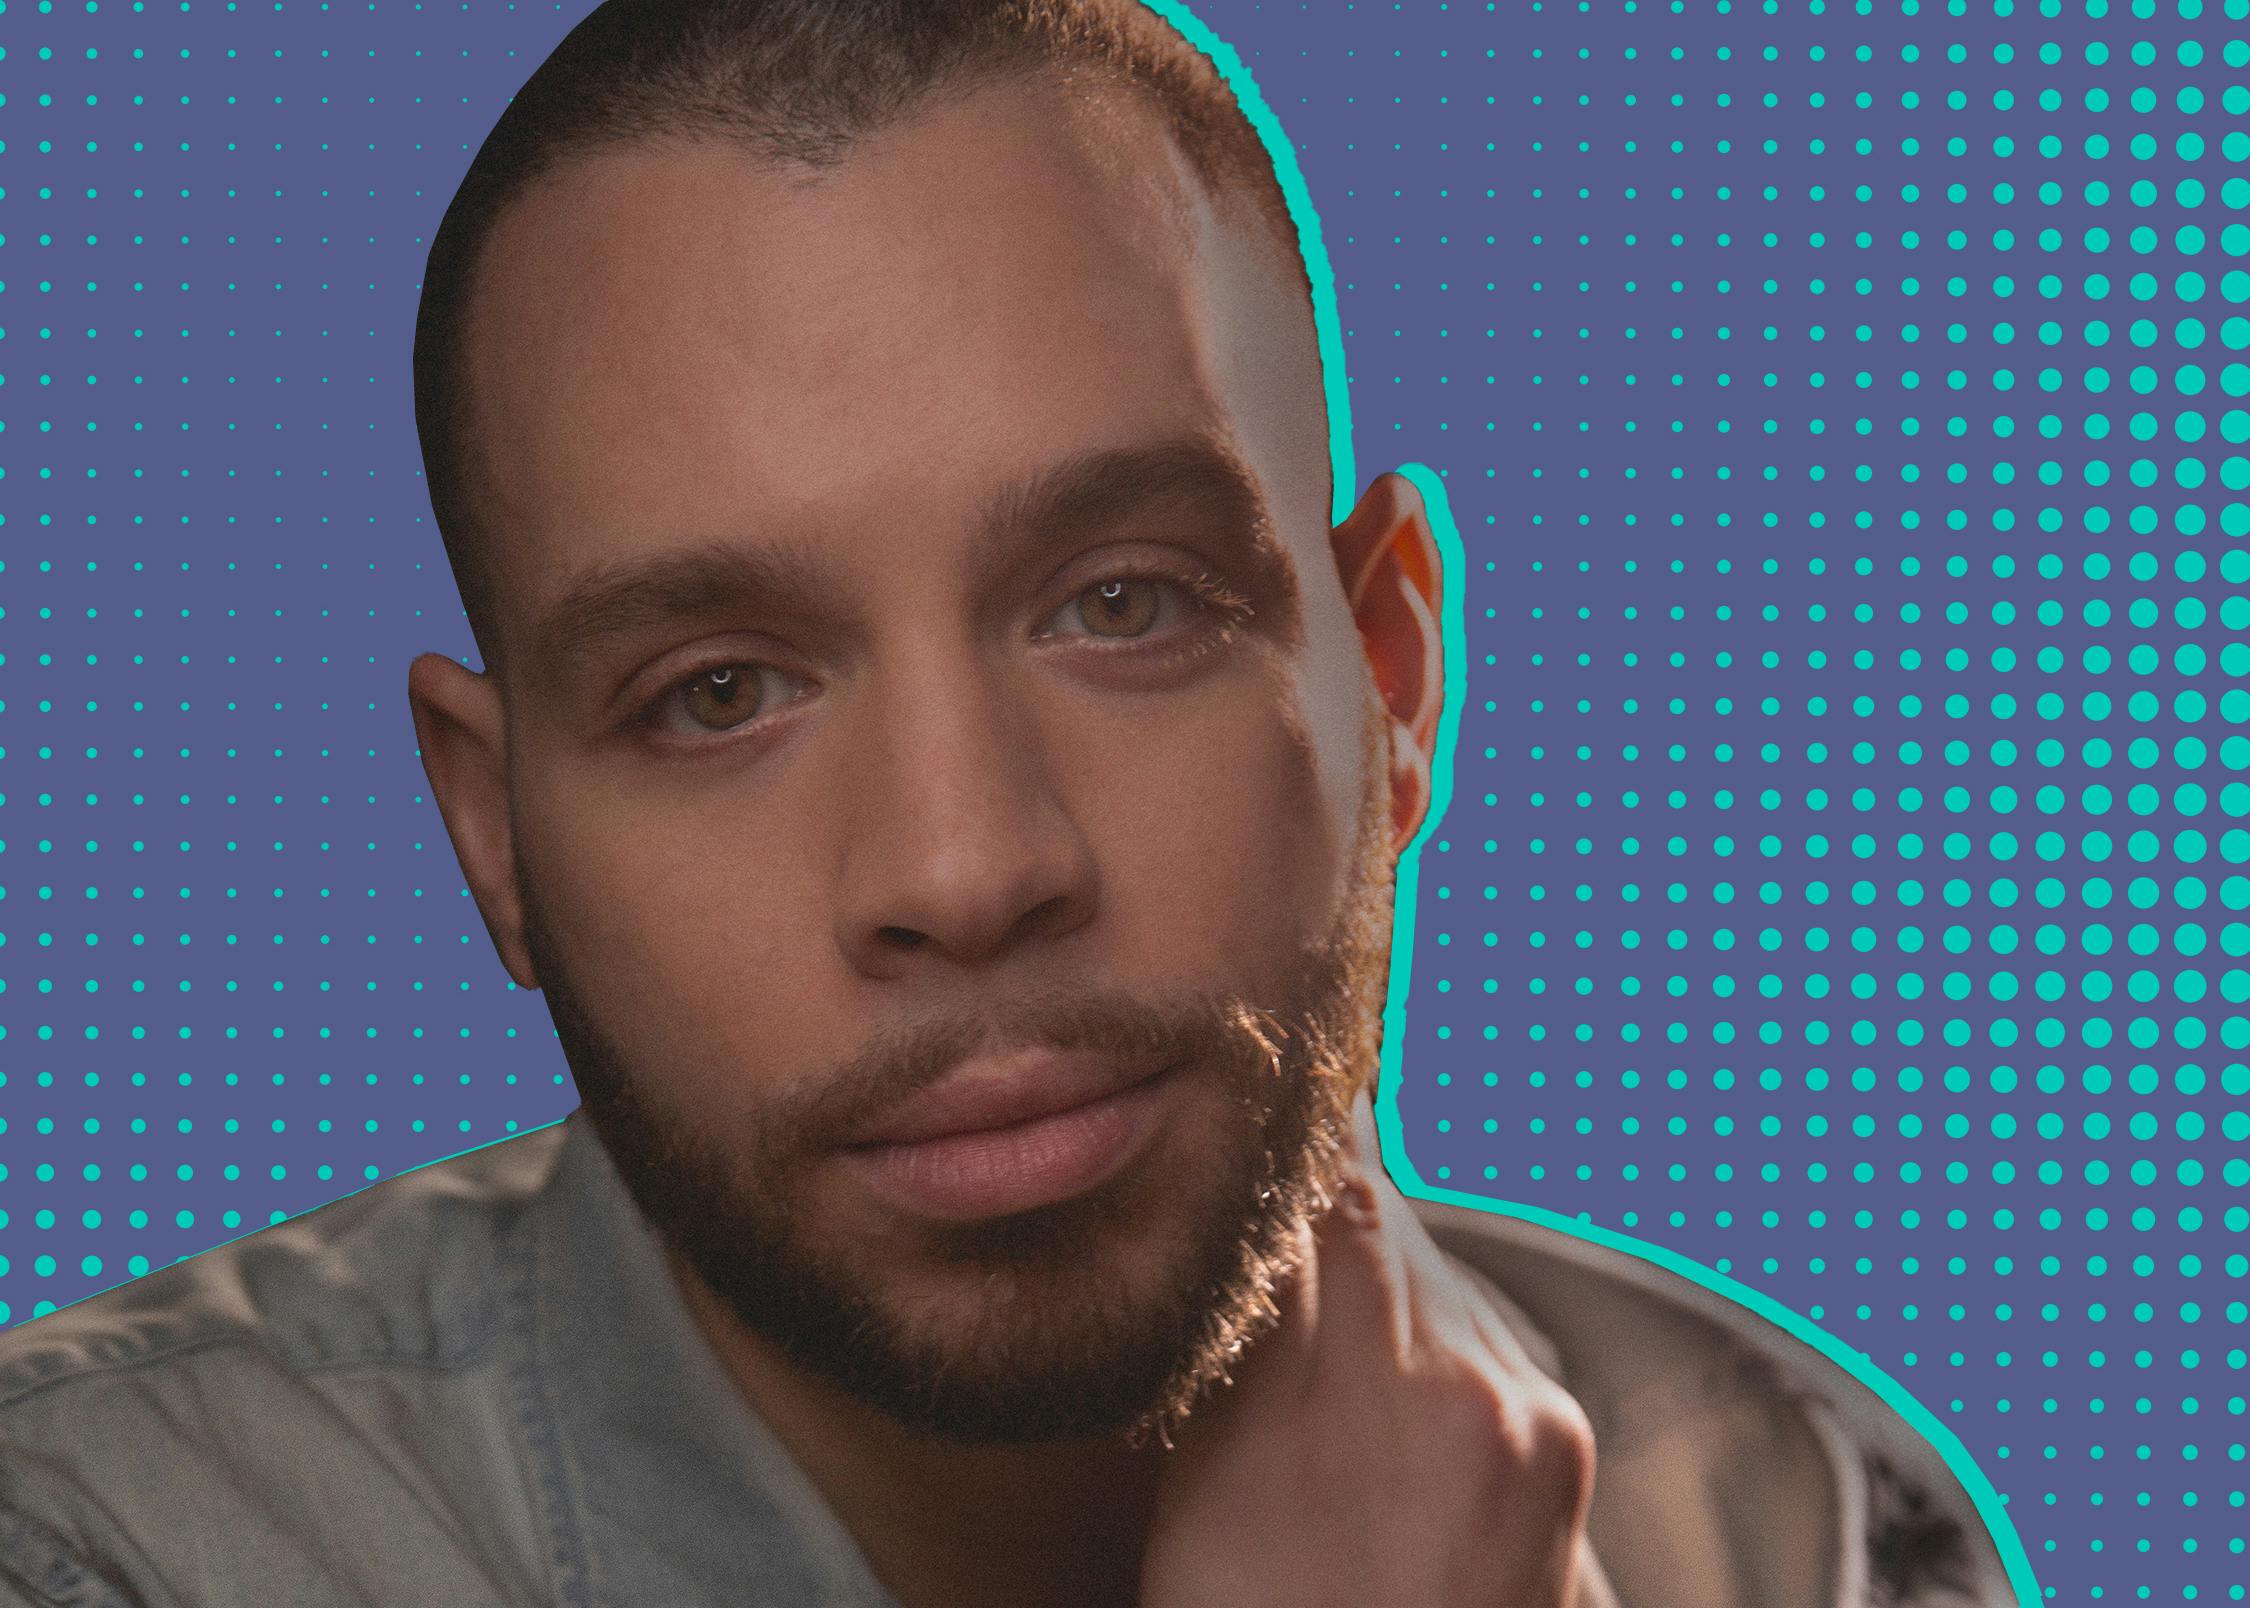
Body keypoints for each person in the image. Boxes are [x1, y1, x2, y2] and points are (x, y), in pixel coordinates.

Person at [0, 1, 2023, 1604]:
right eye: (718, 694)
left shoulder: (1791, 1507)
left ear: (1390, 680)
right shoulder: (99, 1547)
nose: (964, 871)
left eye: (1123, 606)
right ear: (497, 835)